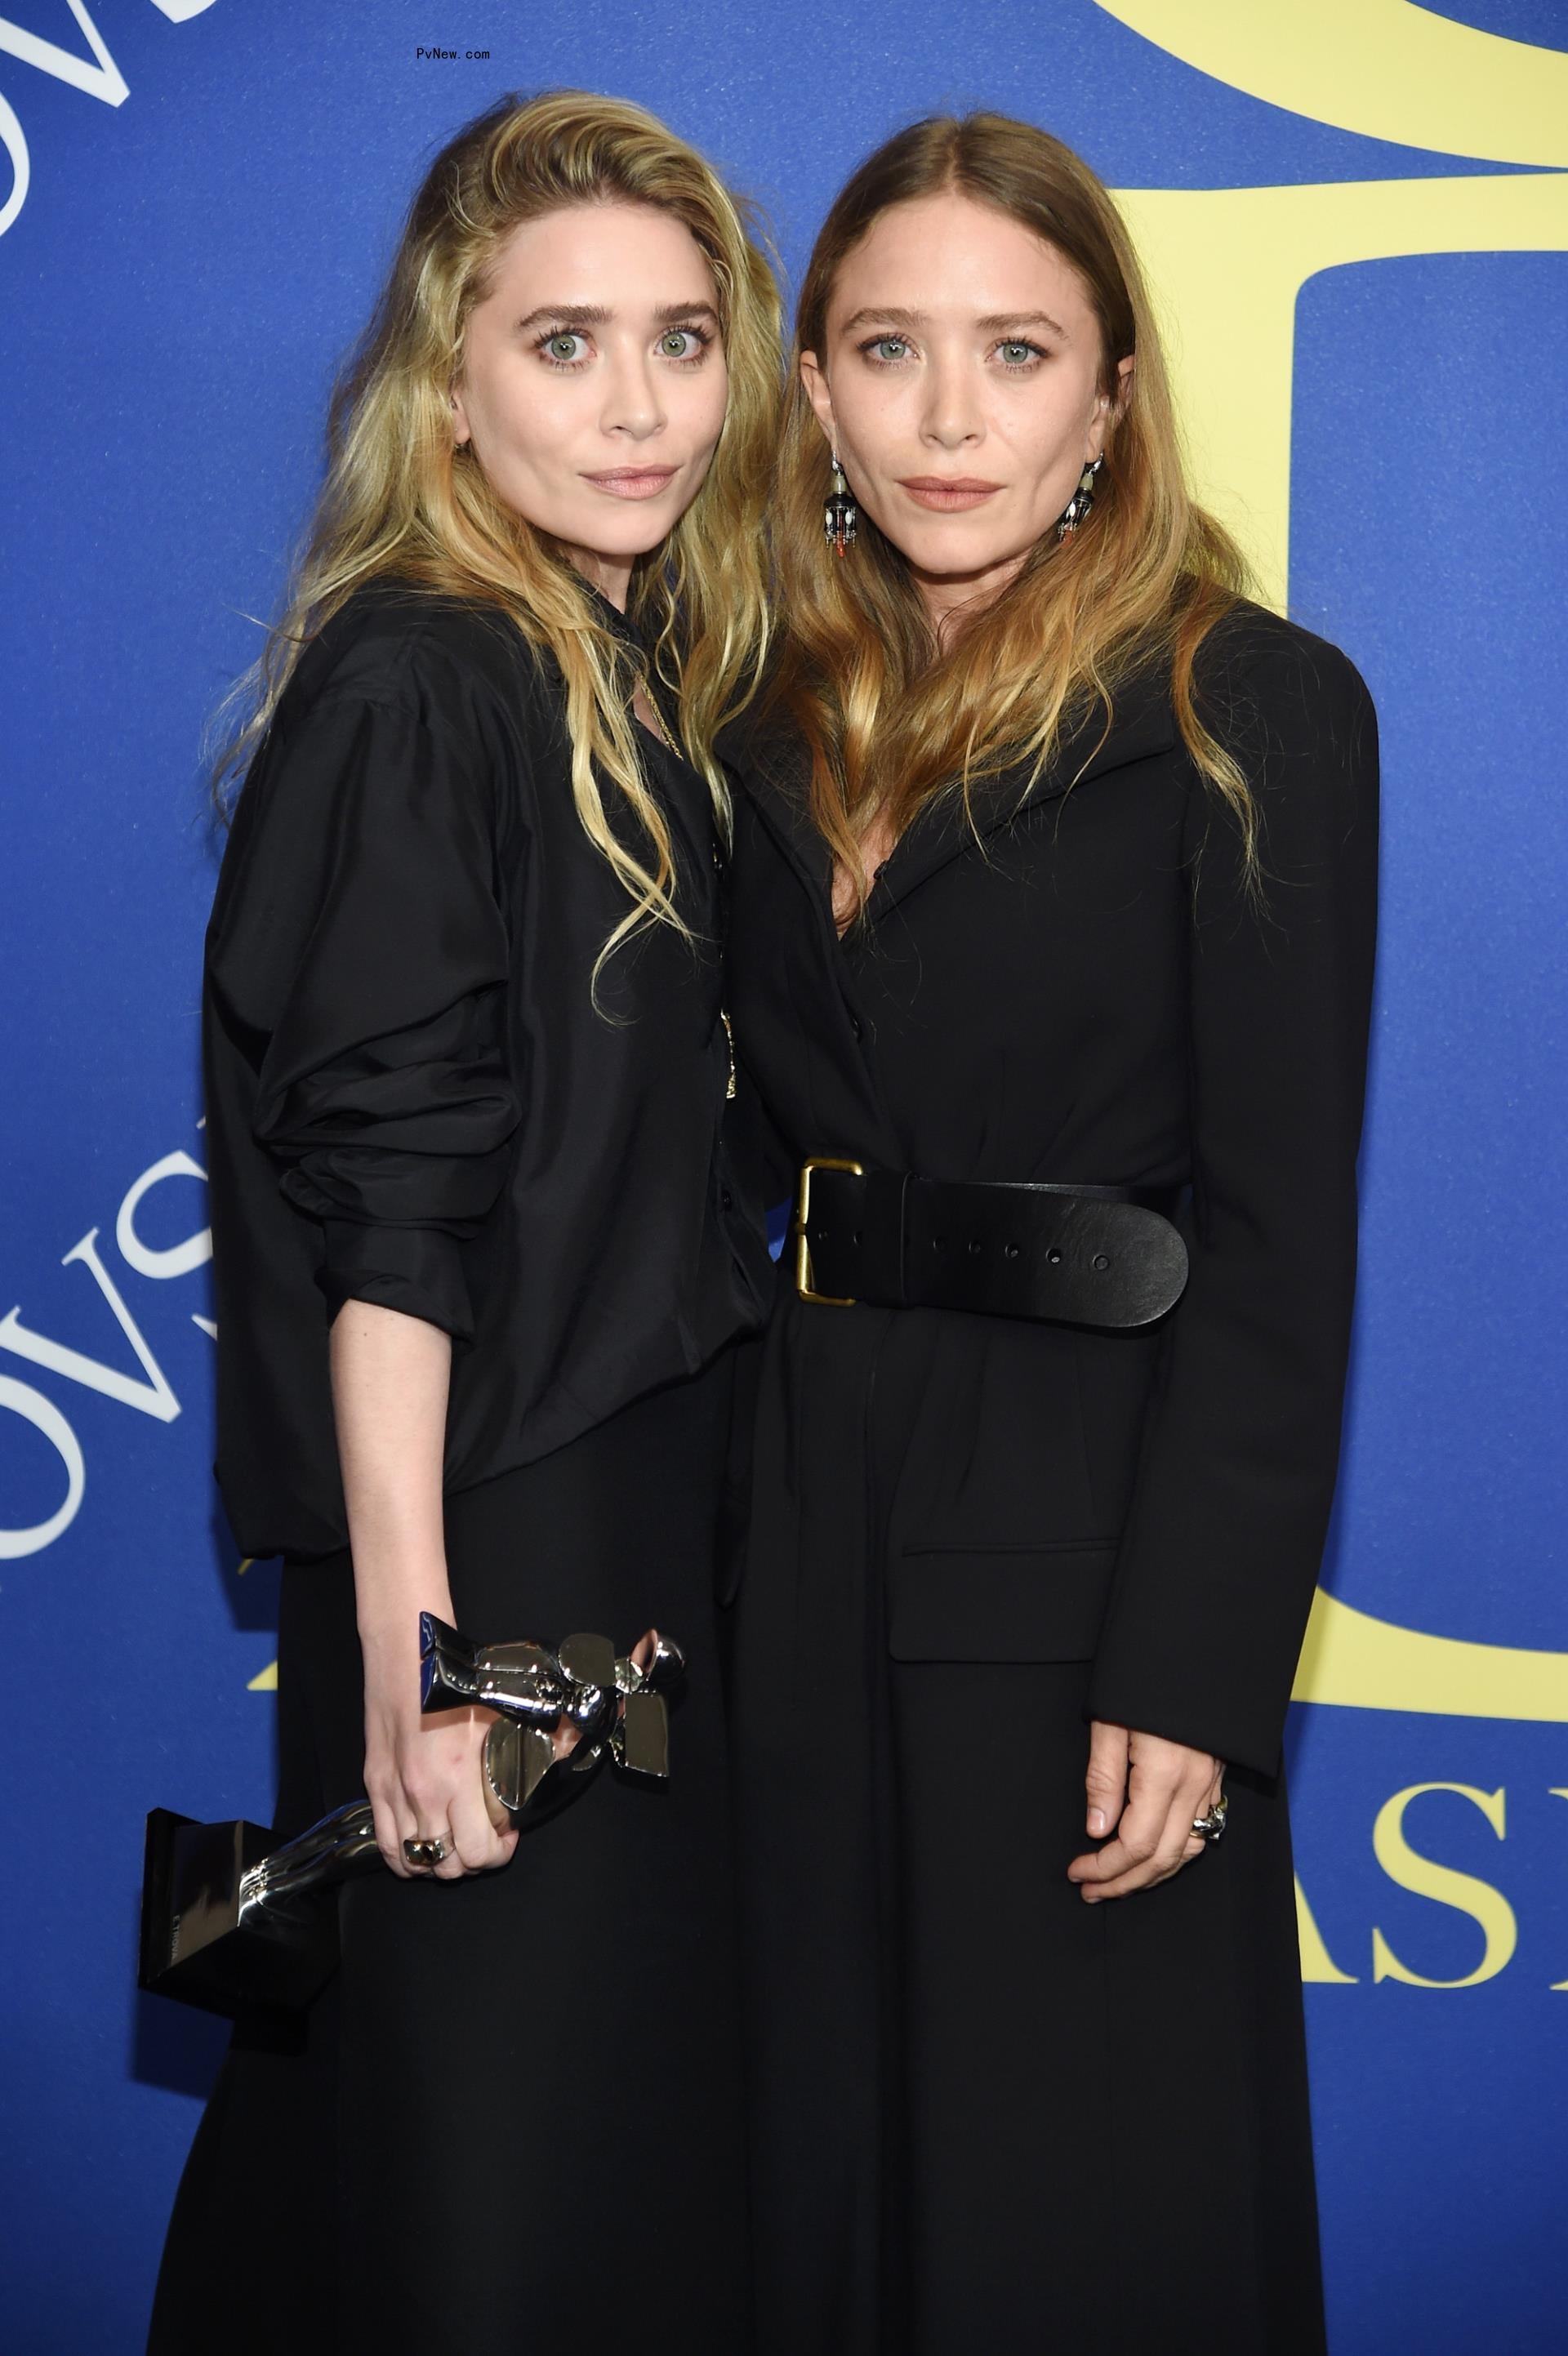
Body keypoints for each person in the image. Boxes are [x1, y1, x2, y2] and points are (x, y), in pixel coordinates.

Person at [723, 112, 1378, 2354]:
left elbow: (1281, 1241)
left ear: (1111, 396)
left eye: (1016, 353)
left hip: (1087, 1551)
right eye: (886, 348)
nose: (948, 416)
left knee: (1071, 2201)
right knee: (797, 2181)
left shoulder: (1248, 705)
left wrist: (1196, 1671)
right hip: (787, 1523)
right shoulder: (742, 706)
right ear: (813, 391)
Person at [149, 91, 780, 2356]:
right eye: (563, 344)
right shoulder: (426, 676)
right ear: (449, 383)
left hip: (617, 1516)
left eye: (682, 340)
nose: (638, 407)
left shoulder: (607, 668)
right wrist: (425, 1661)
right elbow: (392, 1227)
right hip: (503, 1547)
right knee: (500, 2200)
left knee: (507, 2172)